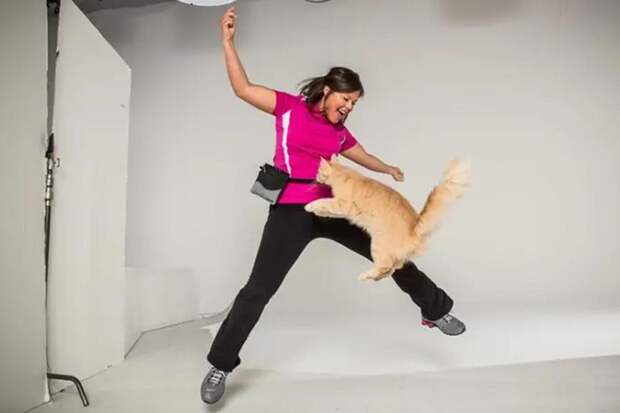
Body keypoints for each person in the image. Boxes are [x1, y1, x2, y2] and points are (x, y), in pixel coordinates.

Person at [201, 5, 465, 405]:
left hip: (334, 206)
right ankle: (220, 364)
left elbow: (363, 156)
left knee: (394, 255)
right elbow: (243, 88)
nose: (349, 107)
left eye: (355, 103)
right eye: (346, 99)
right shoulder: (288, 108)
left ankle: (435, 309)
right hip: (291, 211)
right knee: (258, 289)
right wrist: (227, 42)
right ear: (327, 91)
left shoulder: (339, 133)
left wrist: (387, 168)